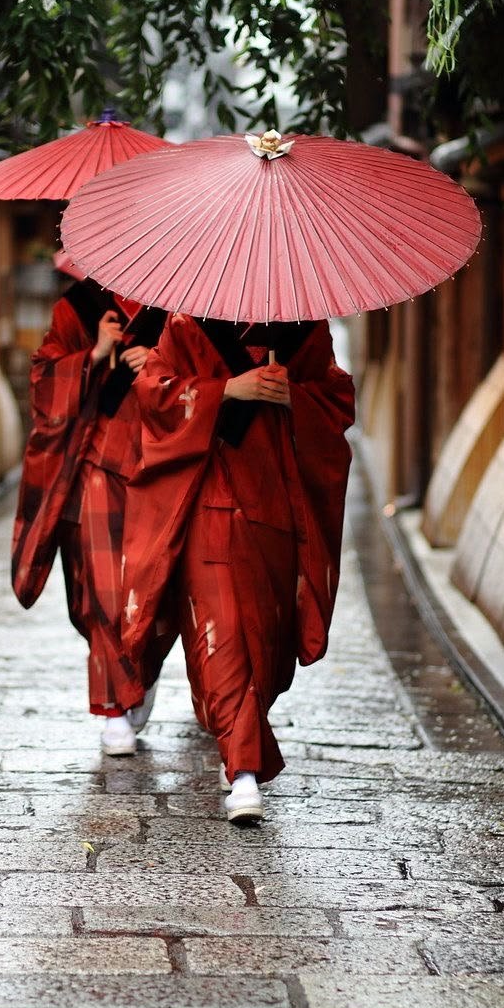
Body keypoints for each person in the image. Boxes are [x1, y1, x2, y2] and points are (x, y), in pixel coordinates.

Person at [120, 313, 355, 821]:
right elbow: (154, 393)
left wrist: (296, 397)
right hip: (208, 501)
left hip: (274, 506)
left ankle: (241, 746)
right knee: (223, 632)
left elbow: (337, 401)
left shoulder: (302, 331)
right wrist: (228, 389)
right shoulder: (187, 325)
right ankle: (244, 773)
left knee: (263, 641)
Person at [12, 277, 173, 756]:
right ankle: (114, 709)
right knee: (102, 591)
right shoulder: (78, 307)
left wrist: (165, 366)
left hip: (163, 463)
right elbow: (43, 379)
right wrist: (97, 353)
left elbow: (208, 380)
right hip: (97, 463)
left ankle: (140, 674)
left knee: (160, 592)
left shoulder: (183, 304)